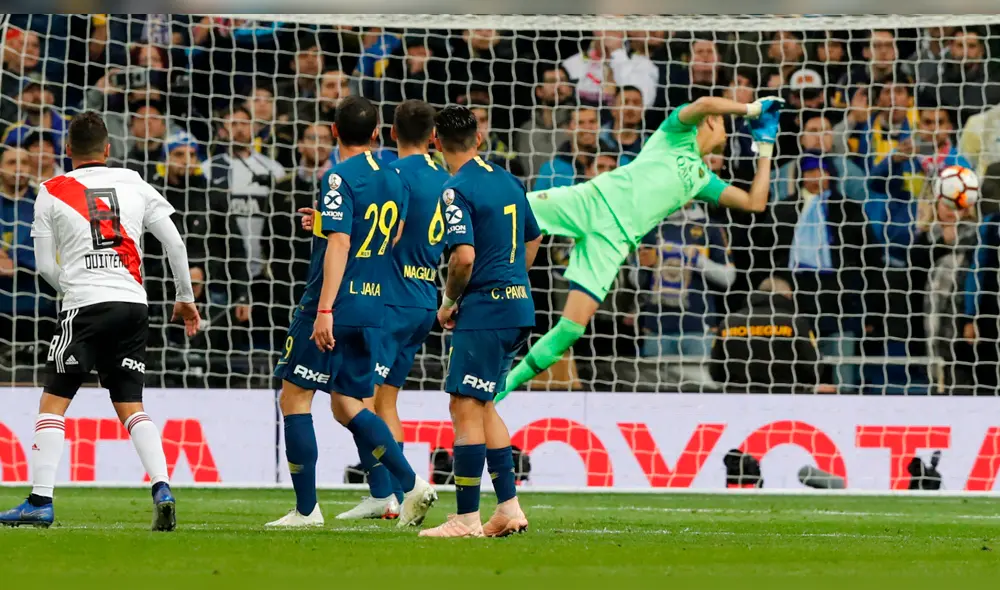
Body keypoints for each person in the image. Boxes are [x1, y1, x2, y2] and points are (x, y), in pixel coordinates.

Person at [495, 95, 784, 401]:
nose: (728, 133)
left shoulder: (702, 179)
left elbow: (755, 202)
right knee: (510, 211)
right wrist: (750, 109)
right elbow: (702, 103)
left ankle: (501, 389)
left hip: (613, 242)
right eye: (725, 124)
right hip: (591, 201)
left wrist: (765, 146)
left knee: (570, 330)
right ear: (710, 122)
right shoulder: (675, 135)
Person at [0, 112, 201, 530]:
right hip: (133, 304)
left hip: (85, 305)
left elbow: (41, 266)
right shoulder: (134, 181)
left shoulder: (51, 189)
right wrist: (184, 298)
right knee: (131, 404)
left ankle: (40, 501)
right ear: (108, 149)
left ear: (67, 150)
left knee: (53, 402)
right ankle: (162, 485)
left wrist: (73, 290)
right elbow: (175, 242)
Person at [266, 96, 436, 528]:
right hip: (374, 302)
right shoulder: (395, 176)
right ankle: (411, 485)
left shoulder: (338, 177)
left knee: (295, 398)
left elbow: (342, 244)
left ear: (333, 131)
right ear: (378, 133)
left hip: (333, 303)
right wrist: (327, 222)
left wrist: (324, 308)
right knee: (347, 404)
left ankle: (307, 510)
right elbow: (392, 233)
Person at [419, 105, 542, 538]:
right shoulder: (507, 179)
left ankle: (466, 518)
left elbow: (464, 257)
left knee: (464, 406)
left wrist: (450, 300)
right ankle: (508, 508)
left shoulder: (456, 189)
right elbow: (533, 237)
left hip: (485, 309)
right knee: (485, 404)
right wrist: (512, 281)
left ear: (435, 141)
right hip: (517, 306)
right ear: (479, 137)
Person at [329, 100, 451, 520]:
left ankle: (396, 492)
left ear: (392, 133)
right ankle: (393, 496)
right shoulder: (446, 177)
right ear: (433, 137)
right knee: (386, 404)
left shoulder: (392, 174)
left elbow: (381, 232)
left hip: (389, 300)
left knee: (356, 402)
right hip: (425, 298)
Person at [709, 278, 832, 393]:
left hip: (739, 397)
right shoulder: (795, 323)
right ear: (787, 295)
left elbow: (715, 371)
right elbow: (813, 368)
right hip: (786, 397)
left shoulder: (728, 323)